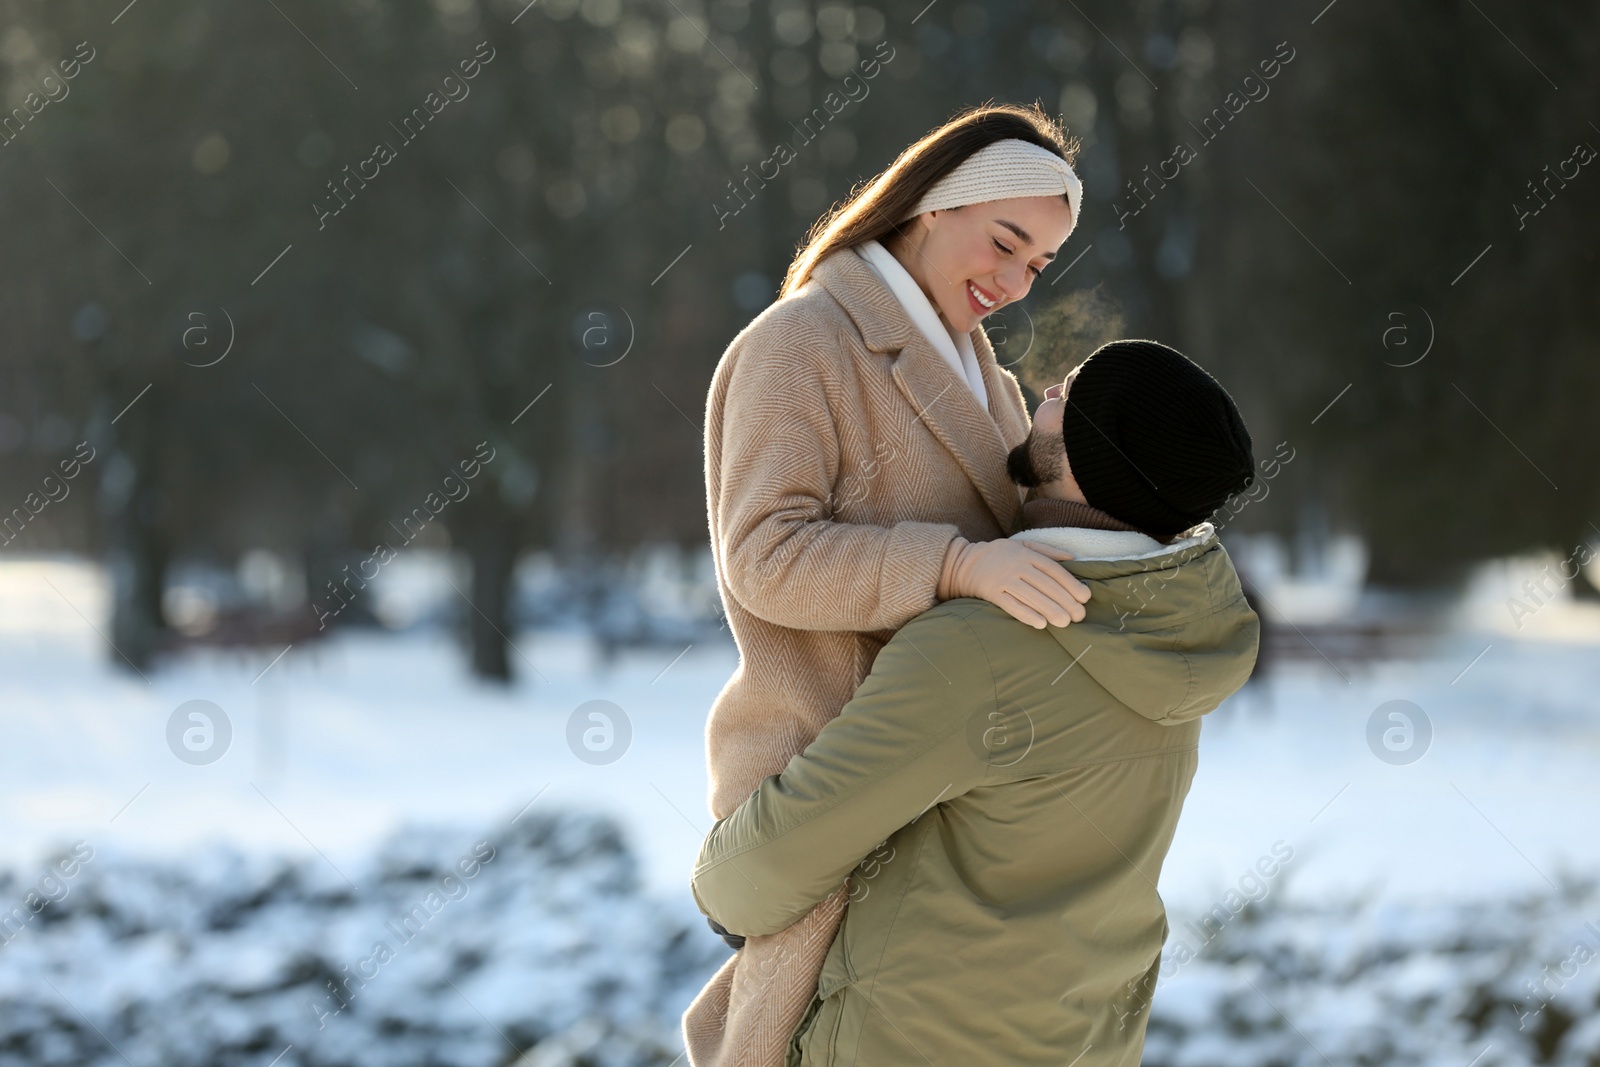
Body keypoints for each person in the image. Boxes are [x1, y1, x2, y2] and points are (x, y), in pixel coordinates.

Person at [692, 340, 1263, 1067]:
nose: (1050, 387)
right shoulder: (1175, 637)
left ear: (1099, 455)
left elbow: (764, 868)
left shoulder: (985, 649)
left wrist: (718, 885)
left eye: (1075, 392)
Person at [683, 103, 1096, 1067]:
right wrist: (951, 564)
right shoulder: (798, 344)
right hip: (823, 783)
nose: (1013, 282)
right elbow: (765, 554)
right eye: (1004, 242)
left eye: (1038, 266)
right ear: (932, 205)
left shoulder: (988, 380)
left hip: (947, 796)